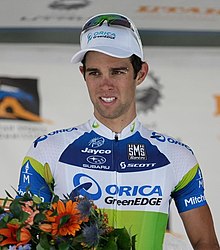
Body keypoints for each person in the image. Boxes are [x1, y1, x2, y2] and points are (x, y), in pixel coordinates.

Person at [17, 13, 219, 249]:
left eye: (117, 71)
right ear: (84, 75)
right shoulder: (48, 151)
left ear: (140, 74)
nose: (105, 85)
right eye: (95, 73)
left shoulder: (176, 157)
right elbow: (24, 239)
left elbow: (205, 242)